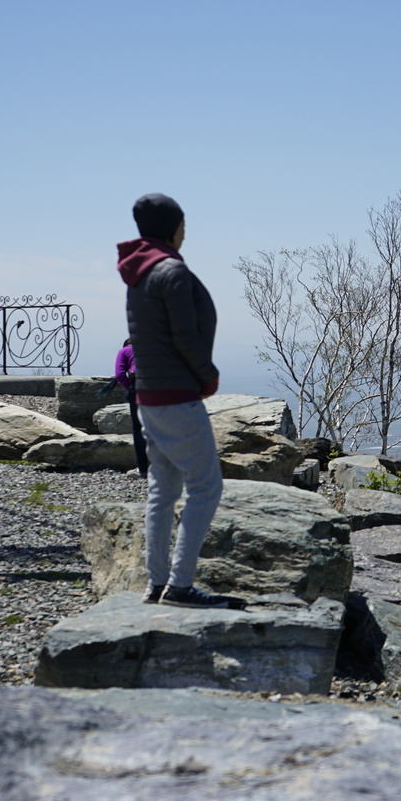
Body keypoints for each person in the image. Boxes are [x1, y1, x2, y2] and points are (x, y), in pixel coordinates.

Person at [118, 193, 240, 609]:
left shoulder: (138, 274)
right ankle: (181, 586)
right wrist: (208, 377)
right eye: (184, 225)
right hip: (177, 396)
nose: (186, 232)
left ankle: (157, 583)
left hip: (148, 397)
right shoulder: (170, 270)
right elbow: (185, 338)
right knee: (206, 487)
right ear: (174, 227)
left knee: (162, 490)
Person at [114, 338, 150, 476]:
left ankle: (143, 469)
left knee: (140, 428)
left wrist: (130, 388)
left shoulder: (125, 351)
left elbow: (120, 374)